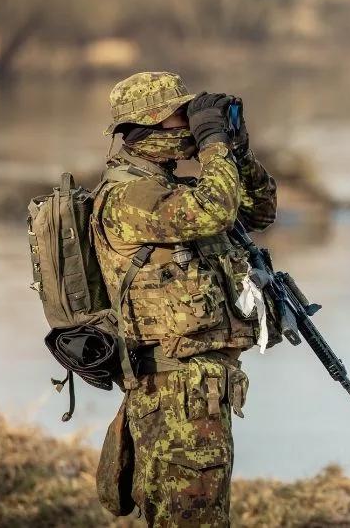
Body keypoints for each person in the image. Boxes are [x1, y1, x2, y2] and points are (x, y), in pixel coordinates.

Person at [92, 71, 277, 526]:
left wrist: (237, 148)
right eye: (185, 115)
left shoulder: (168, 189)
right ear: (154, 124)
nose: (192, 124)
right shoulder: (131, 198)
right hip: (174, 393)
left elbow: (260, 210)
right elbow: (214, 209)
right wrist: (213, 142)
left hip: (195, 392)